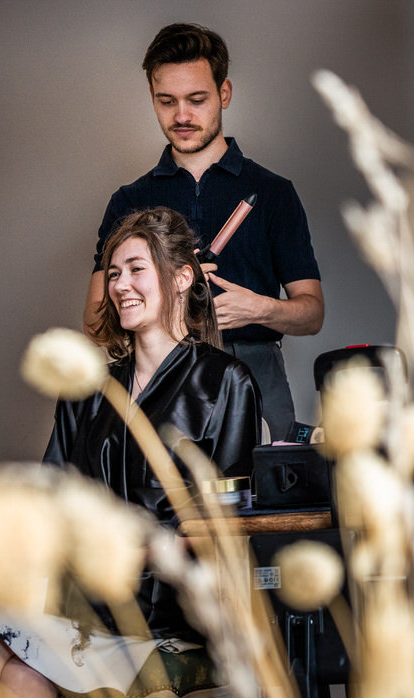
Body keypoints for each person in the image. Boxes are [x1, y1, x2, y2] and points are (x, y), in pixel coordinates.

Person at [0, 207, 261, 698]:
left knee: (13, 654)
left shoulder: (227, 383)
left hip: (163, 615)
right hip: (81, 605)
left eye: (137, 269)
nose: (121, 285)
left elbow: (227, 526)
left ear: (182, 277)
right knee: (3, 647)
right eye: (114, 273)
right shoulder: (88, 389)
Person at [84, 22, 323, 442]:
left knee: (266, 502)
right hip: (158, 374)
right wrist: (155, 308)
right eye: (166, 101)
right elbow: (95, 319)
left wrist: (260, 309)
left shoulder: (272, 193)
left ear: (224, 93)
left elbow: (312, 313)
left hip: (257, 372)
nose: (181, 116)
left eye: (197, 100)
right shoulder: (128, 201)